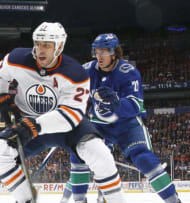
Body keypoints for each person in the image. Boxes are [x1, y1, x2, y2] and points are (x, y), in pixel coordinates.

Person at [0, 23, 127, 203]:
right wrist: (2, 98)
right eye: (37, 44)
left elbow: (71, 115)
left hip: (67, 127)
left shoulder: (75, 73)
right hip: (28, 123)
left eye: (46, 45)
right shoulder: (16, 58)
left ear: (59, 46)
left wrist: (35, 126)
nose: (39, 49)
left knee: (101, 155)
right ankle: (26, 199)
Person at [60, 33, 181, 203]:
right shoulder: (87, 69)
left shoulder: (128, 72)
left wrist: (116, 103)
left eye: (104, 52)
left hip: (126, 125)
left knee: (143, 158)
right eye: (97, 51)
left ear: (114, 53)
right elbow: (68, 89)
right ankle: (80, 201)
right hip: (98, 126)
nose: (99, 56)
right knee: (78, 154)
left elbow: (135, 106)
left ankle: (174, 200)